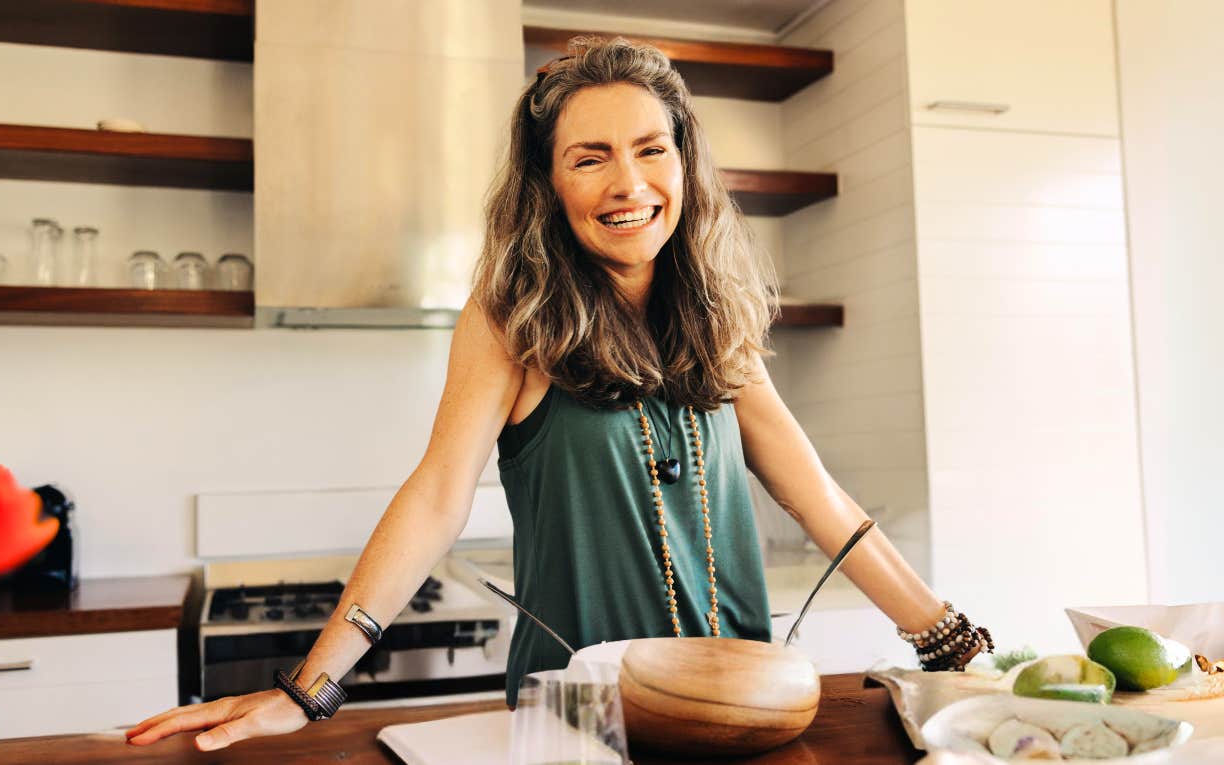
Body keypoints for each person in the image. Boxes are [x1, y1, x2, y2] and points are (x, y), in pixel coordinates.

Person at [125, 36, 992, 753]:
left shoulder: (718, 319)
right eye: (592, 158)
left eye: (652, 149)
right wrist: (308, 689)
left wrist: (954, 646)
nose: (629, 184)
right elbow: (435, 499)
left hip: (738, 711)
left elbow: (822, 501)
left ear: (684, 163)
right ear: (550, 185)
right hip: (579, 727)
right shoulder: (513, 318)